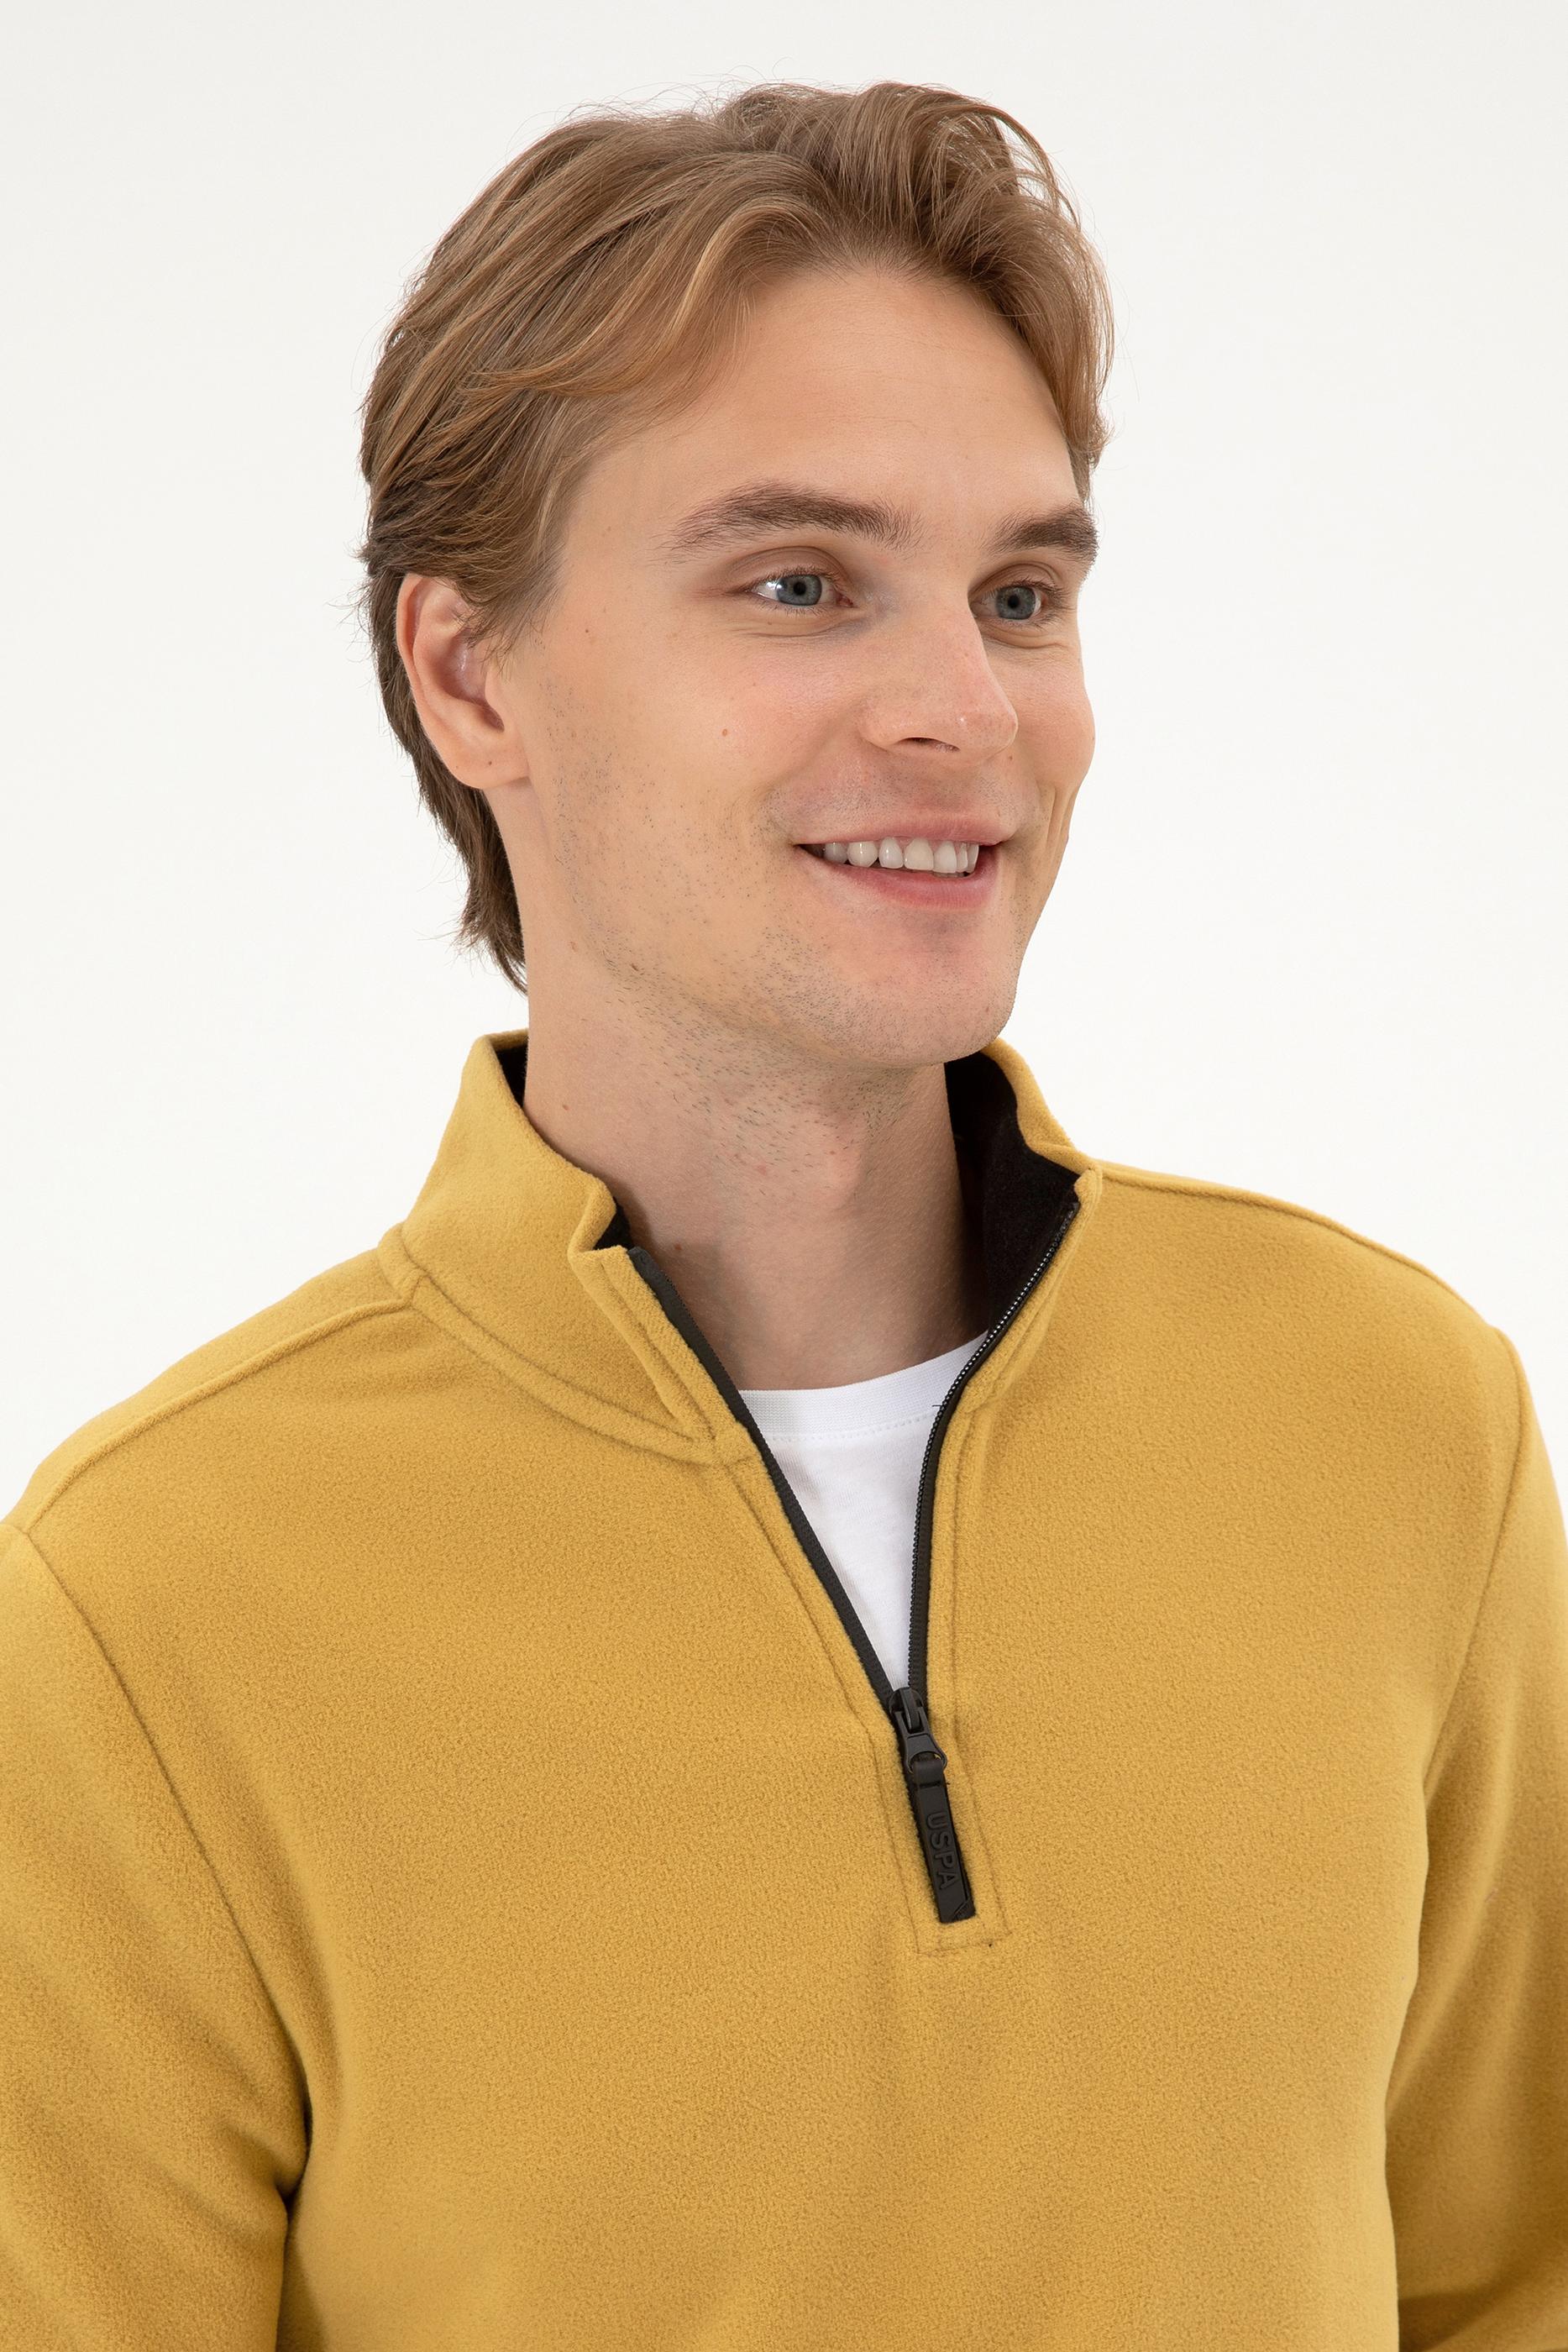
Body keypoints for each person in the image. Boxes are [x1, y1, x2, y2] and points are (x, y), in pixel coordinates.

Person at [3, 77, 1564, 2352]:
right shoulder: (146, 1608)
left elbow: (1514, 2278)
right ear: (469, 674)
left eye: (1019, 594)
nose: (963, 708)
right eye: (801, 584)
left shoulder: (1392, 1418)